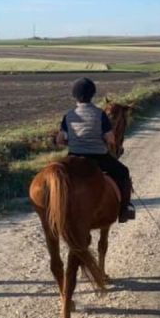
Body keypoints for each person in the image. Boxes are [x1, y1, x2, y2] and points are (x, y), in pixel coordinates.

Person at [56, 77, 136, 223]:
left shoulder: (68, 116)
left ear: (74, 95)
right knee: (123, 172)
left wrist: (74, 141)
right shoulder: (100, 114)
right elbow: (110, 139)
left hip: (74, 157)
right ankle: (125, 208)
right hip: (98, 157)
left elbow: (60, 140)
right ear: (92, 94)